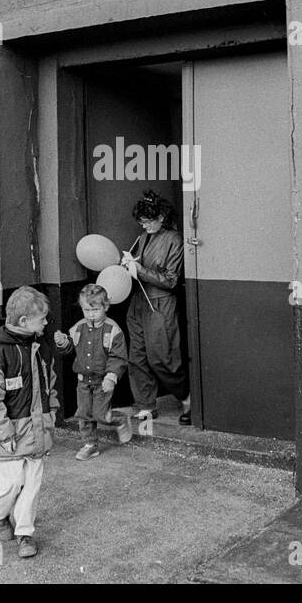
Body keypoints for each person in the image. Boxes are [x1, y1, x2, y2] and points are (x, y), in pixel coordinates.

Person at [0, 286, 61, 559]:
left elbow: (50, 385)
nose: (46, 322)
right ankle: (1, 515)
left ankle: (25, 533)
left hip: (37, 432)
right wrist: (2, 433)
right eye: (41, 318)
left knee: (31, 486)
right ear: (23, 321)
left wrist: (52, 413)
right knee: (7, 486)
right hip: (9, 436)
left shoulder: (40, 347)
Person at [122, 190, 191, 425]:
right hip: (139, 301)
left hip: (161, 303)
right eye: (141, 221)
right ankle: (146, 405)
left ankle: (187, 398)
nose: (144, 225)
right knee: (138, 357)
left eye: (148, 220)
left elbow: (171, 280)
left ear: (161, 217)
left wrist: (138, 269)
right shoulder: (143, 238)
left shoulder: (175, 239)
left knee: (163, 356)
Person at [54, 284, 133, 460]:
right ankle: (90, 444)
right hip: (83, 381)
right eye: (86, 310)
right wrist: (62, 342)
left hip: (102, 381)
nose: (91, 314)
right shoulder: (78, 328)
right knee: (84, 413)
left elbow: (118, 357)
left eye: (95, 310)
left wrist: (111, 377)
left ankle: (119, 419)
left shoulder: (113, 330)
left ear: (106, 307)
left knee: (101, 415)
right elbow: (68, 349)